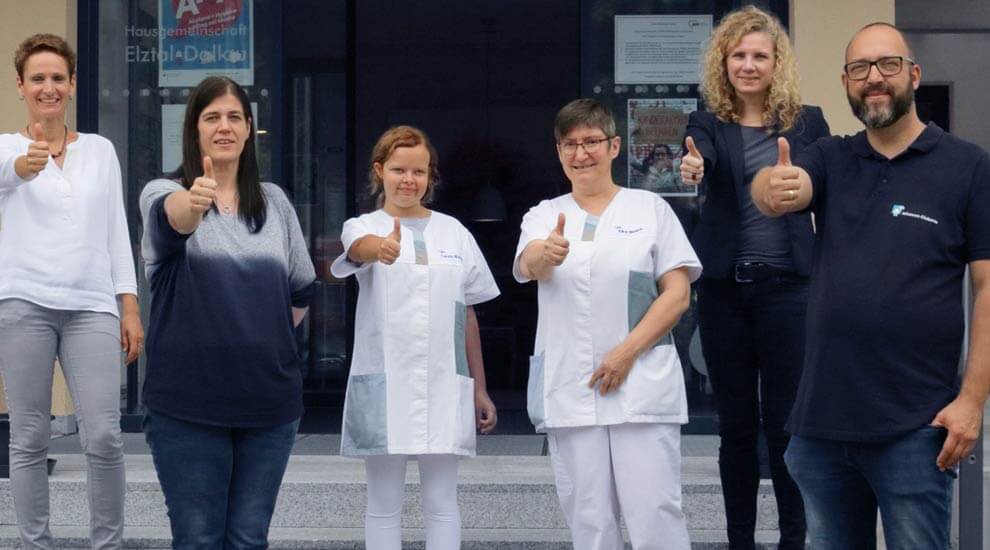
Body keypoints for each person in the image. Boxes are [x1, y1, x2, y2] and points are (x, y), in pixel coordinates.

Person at [751, 22, 990, 549]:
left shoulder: (968, 167)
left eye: (887, 65)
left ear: (914, 74)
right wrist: (774, 187)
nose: (874, 79)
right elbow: (781, 189)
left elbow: (987, 289)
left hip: (916, 425)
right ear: (845, 82)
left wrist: (972, 401)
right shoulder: (833, 158)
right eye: (860, 69)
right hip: (821, 426)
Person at [514, 98, 702, 550]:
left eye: (591, 142)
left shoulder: (649, 209)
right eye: (570, 144)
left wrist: (624, 353)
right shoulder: (543, 215)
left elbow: (677, 294)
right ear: (558, 151)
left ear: (615, 146)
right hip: (573, 391)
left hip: (640, 388)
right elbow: (530, 264)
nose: (581, 154)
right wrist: (548, 253)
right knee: (589, 521)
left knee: (655, 514)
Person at [139, 76, 316, 549]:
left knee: (248, 539)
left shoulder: (275, 204)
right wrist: (193, 203)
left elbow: (300, 292)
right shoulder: (162, 192)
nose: (224, 126)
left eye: (234, 116)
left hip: (269, 408)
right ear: (194, 128)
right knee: (198, 540)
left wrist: (262, 343)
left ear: (248, 127)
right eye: (211, 117)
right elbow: (172, 219)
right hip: (187, 407)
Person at [677, 7, 830, 549]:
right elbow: (702, 161)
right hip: (725, 292)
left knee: (788, 425)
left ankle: (795, 539)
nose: (748, 64)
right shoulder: (706, 121)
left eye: (759, 55)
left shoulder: (808, 121)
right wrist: (693, 168)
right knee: (736, 428)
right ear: (724, 61)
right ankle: (739, 539)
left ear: (776, 63)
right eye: (738, 55)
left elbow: (824, 188)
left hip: (789, 291)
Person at [0, 33, 142, 549]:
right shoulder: (7, 150)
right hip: (23, 306)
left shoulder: (100, 151)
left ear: (73, 85)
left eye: (58, 77)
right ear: (21, 86)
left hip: (91, 308)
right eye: (37, 77)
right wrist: (20, 168)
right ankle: (36, 544)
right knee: (29, 437)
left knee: (103, 435)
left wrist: (128, 305)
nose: (48, 87)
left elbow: (115, 234)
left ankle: (108, 544)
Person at [330, 125, 499, 550]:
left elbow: (468, 313)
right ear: (379, 171)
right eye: (399, 169)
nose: (409, 180)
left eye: (418, 171)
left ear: (430, 176)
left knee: (443, 502)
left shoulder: (455, 233)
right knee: (383, 504)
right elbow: (358, 249)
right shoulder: (363, 225)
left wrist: (480, 388)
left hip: (445, 383)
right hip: (386, 385)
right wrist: (379, 249)